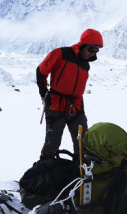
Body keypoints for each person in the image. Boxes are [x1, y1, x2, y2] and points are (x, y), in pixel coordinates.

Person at [36, 29, 103, 160]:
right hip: (56, 104)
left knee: (83, 143)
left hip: (76, 106)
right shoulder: (61, 54)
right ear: (83, 45)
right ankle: (43, 170)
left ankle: (79, 171)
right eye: (91, 50)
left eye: (96, 51)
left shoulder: (85, 64)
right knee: (52, 143)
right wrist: (43, 92)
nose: (93, 54)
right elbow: (41, 71)